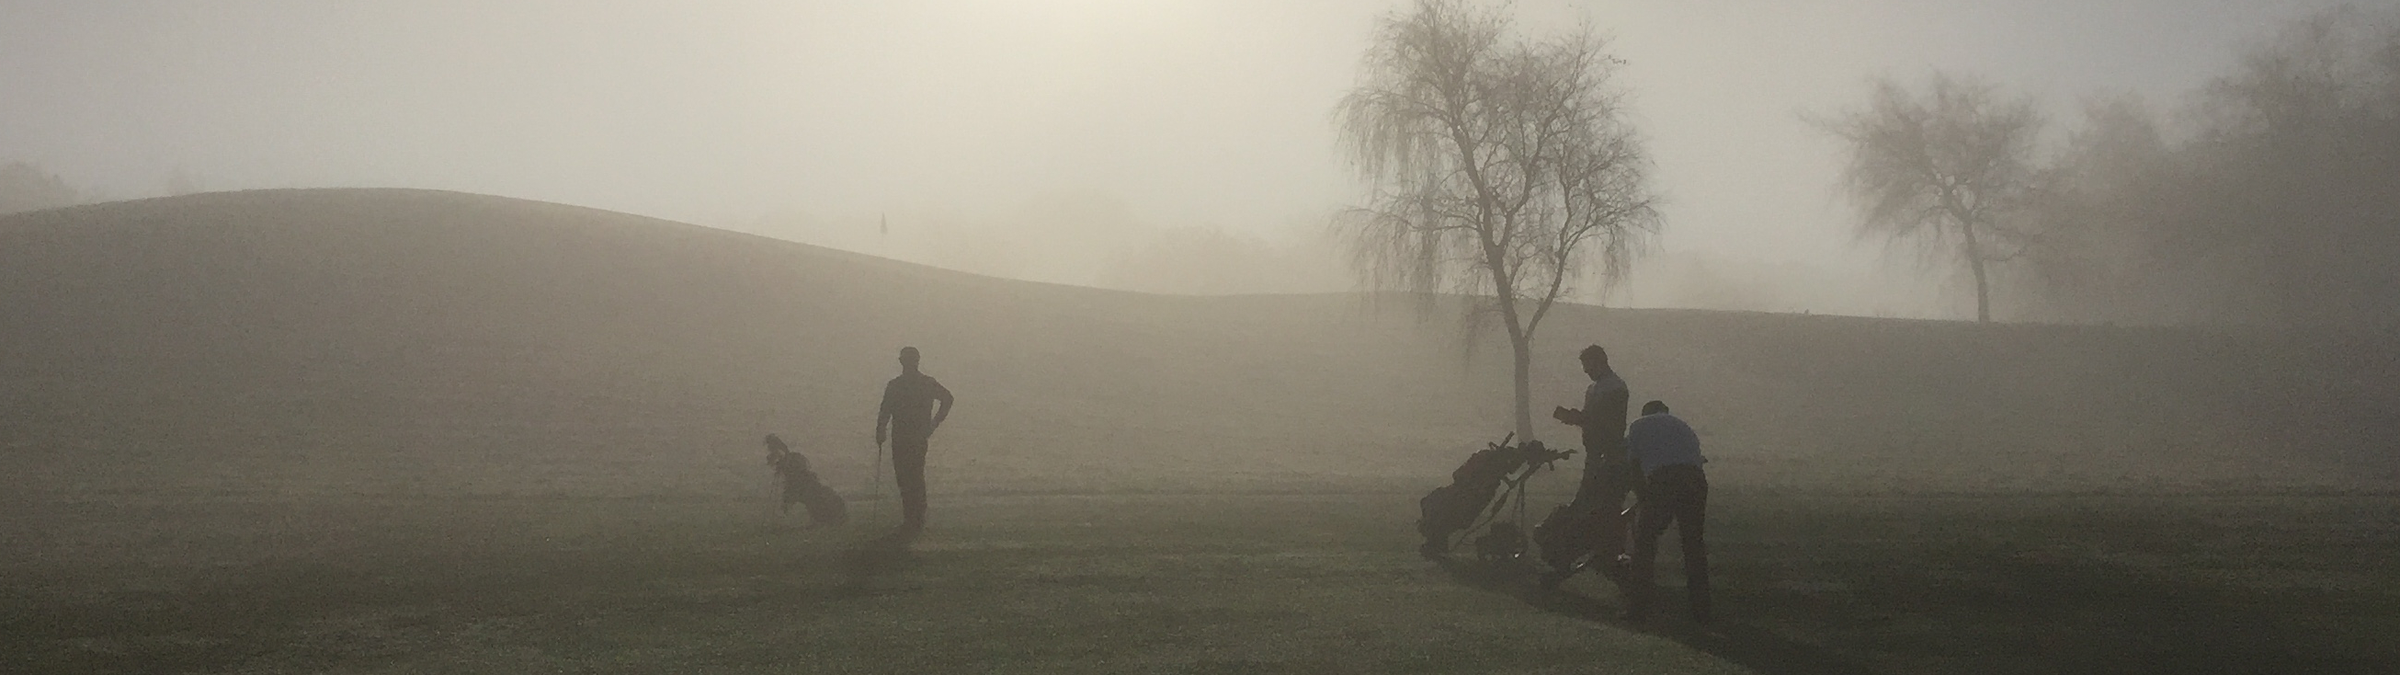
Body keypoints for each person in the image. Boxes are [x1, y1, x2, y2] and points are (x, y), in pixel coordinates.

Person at [1539, 345, 1637, 587]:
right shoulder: (1596, 388)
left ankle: (1603, 552)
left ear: (1599, 362)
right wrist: (1577, 418)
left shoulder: (1614, 388)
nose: (1585, 371)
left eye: (1588, 365)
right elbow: (1592, 419)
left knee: (1601, 504)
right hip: (1595, 455)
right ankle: (1603, 553)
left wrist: (1575, 418)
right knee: (1592, 504)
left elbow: (1605, 422)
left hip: (1607, 456)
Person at [1622, 399, 1710, 623]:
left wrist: (1644, 498)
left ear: (1645, 412)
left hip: (1664, 479)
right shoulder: (1682, 425)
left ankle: (1638, 606)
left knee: (1645, 541)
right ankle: (1701, 608)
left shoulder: (1637, 426)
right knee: (1693, 544)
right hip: (1695, 480)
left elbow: (1634, 467)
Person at [875, 346, 954, 541]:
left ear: (902, 361)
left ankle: (914, 518)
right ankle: (914, 518)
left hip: (905, 437)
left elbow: (885, 411)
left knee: (908, 477)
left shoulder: (897, 385)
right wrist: (934, 424)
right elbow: (947, 399)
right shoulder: (923, 383)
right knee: (912, 477)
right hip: (914, 436)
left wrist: (880, 431)